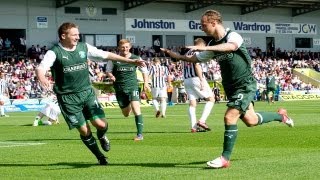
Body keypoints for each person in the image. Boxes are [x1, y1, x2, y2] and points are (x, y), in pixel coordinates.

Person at [161, 10, 294, 169]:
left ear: (214, 22)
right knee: (251, 120)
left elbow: (230, 47)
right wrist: (175, 55)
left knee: (229, 117)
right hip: (231, 88)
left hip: (244, 85)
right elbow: (195, 59)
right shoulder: (212, 45)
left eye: (204, 25)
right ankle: (281, 116)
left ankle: (225, 158)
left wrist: (205, 49)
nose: (202, 28)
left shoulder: (233, 35)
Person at [35, 22, 146, 165]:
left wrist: (130, 61)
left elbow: (106, 54)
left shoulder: (84, 47)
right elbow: (41, 67)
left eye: (78, 34)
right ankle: (100, 157)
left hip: (87, 93)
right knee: (84, 130)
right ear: (63, 36)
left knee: (100, 125)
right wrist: (42, 77)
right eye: (74, 34)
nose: (77, 37)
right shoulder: (54, 52)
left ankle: (102, 136)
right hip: (68, 98)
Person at [105, 39, 150, 141]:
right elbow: (108, 71)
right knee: (126, 114)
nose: (125, 49)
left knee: (136, 108)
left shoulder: (135, 58)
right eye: (122, 47)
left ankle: (139, 134)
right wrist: (111, 76)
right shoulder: (113, 59)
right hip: (120, 88)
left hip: (132, 86)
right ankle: (128, 104)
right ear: (119, 48)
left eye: (126, 47)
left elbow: (145, 71)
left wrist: (146, 83)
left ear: (129, 47)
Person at [179, 38, 215, 133]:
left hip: (187, 79)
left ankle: (194, 127)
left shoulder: (186, 53)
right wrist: (201, 80)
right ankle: (202, 121)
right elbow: (197, 65)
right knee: (211, 99)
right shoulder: (197, 52)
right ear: (201, 45)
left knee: (192, 103)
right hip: (196, 78)